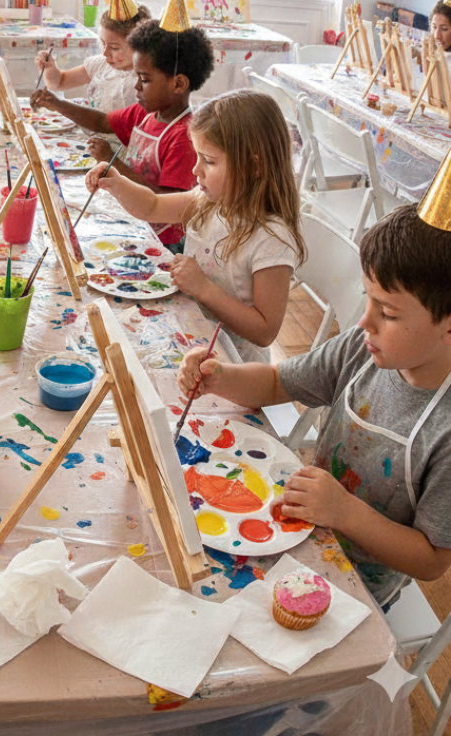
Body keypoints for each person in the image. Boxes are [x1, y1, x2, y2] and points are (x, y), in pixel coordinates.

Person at [177, 202, 451, 609]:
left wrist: (344, 512)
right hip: (299, 524)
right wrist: (221, 377)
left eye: (388, 313)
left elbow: (431, 561)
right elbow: (275, 381)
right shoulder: (362, 350)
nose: (365, 321)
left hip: (355, 584)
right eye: (368, 300)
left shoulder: (443, 429)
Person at [84, 90, 305, 362]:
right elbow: (152, 206)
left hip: (231, 366)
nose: (195, 170)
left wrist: (203, 289)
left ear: (253, 165)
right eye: (198, 157)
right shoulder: (209, 202)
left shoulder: (272, 238)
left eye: (209, 161)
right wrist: (117, 182)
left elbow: (264, 332)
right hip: (190, 338)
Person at [34, 21, 215, 248]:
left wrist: (113, 162)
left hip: (160, 243)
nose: (136, 86)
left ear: (178, 84)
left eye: (145, 79)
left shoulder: (184, 137)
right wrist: (59, 104)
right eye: (137, 77)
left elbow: (165, 205)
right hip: (133, 221)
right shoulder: (146, 113)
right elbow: (101, 121)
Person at [33, 4, 151, 124]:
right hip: (92, 131)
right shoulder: (100, 64)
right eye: (103, 43)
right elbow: (60, 82)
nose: (105, 53)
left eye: (114, 47)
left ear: (139, 46)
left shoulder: (145, 82)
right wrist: (50, 68)